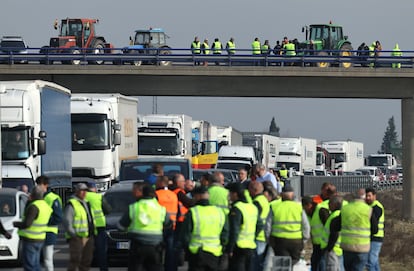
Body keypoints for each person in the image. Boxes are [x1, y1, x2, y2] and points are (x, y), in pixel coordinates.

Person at [118, 182, 171, 271]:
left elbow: (121, 227)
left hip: (138, 246)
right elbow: (168, 224)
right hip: (155, 246)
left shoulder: (134, 207)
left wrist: (127, 232)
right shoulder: (161, 209)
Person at [179, 185, 229, 271]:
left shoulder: (193, 212)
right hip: (215, 253)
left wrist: (187, 250)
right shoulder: (219, 212)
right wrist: (223, 247)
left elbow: (185, 234)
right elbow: (225, 233)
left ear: (197, 196)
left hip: (196, 253)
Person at [332, 189, 378, 271]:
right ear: (364, 198)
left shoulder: (345, 209)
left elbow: (336, 226)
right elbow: (375, 230)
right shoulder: (368, 210)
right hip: (362, 248)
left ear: (352, 197)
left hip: (347, 247)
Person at [266, 185, 310, 266]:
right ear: (293, 195)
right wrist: (304, 240)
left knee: (281, 264)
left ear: (281, 195)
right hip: (296, 241)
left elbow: (268, 226)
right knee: (293, 263)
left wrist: (269, 240)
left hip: (279, 241)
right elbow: (306, 226)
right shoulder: (299, 207)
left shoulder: (275, 207)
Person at [13, 186, 52, 271]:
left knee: (29, 266)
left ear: (33, 194)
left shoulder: (34, 206)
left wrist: (16, 224)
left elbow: (27, 223)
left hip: (30, 238)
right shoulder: (45, 205)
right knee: (36, 264)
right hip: (40, 237)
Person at [226, 182, 262, 271]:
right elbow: (260, 225)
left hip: (239, 248)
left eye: (230, 193)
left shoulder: (237, 208)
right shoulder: (252, 207)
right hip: (251, 246)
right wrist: (253, 236)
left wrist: (230, 248)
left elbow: (234, 230)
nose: (229, 196)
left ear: (235, 194)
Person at [63, 183, 96, 271]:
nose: (84, 193)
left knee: (87, 261)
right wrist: (74, 235)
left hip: (88, 236)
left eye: (85, 191)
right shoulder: (72, 204)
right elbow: (67, 221)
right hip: (77, 238)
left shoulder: (86, 203)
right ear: (77, 191)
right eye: (82, 191)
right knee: (75, 261)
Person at [36, 175, 63, 271]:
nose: (38, 187)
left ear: (46, 185)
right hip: (36, 233)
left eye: (40, 184)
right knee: (36, 261)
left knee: (48, 260)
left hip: (48, 233)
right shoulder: (36, 196)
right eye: (37, 184)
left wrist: (45, 222)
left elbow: (58, 217)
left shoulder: (52, 198)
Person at [86, 182, 111, 271]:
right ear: (94, 188)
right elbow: (108, 210)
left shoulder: (83, 197)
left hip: (87, 227)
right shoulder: (99, 197)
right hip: (100, 226)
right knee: (101, 251)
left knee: (86, 251)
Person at [155, 176, 179, 271]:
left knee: (157, 251)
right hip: (172, 226)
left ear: (160, 183)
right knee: (170, 251)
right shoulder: (173, 195)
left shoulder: (156, 194)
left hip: (158, 227)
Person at [249, 181, 270, 271]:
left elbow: (255, 219)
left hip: (258, 236)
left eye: (250, 189)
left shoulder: (257, 202)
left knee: (255, 264)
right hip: (264, 235)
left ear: (255, 190)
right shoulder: (264, 200)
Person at [320, 195, 343, 271]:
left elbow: (335, 233)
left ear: (335, 204)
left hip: (333, 249)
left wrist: (329, 247)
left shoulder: (335, 216)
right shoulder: (335, 214)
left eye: (330, 203)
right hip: (335, 249)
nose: (328, 205)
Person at [365, 187, 384, 271]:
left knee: (370, 263)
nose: (367, 198)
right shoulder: (369, 206)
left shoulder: (376, 207)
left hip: (376, 237)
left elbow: (372, 222)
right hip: (372, 237)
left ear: (374, 196)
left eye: (369, 196)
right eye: (366, 196)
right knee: (374, 263)